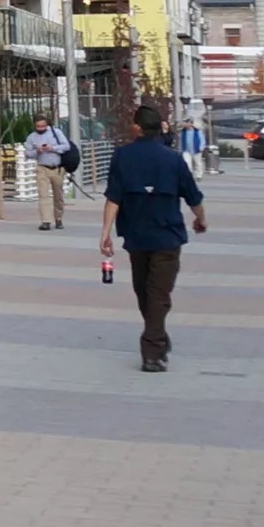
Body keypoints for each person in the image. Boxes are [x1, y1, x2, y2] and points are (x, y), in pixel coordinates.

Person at [98, 96, 205, 371]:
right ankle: (157, 340)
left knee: (146, 292)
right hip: (167, 236)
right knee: (156, 293)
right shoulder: (173, 160)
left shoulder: (122, 156)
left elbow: (113, 198)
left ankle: (152, 350)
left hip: (136, 236)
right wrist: (201, 220)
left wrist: (105, 232)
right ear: (160, 128)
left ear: (137, 128)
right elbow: (193, 197)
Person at [23, 116, 71, 230]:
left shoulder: (56, 133)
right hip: (42, 168)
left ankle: (58, 218)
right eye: (38, 126)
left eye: (43, 126)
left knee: (58, 196)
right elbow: (28, 153)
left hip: (56, 168)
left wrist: (52, 148)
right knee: (43, 195)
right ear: (35, 126)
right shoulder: (31, 137)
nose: (41, 128)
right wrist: (37, 151)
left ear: (47, 125)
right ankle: (46, 221)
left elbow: (66, 146)